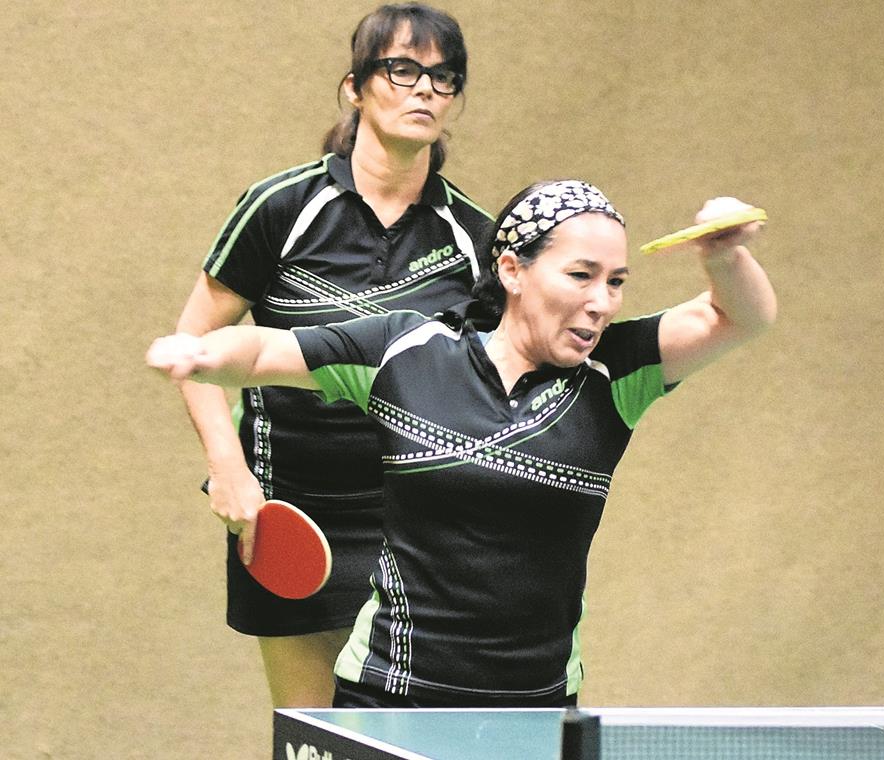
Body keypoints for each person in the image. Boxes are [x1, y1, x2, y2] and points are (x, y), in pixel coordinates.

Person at [149, 179, 777, 708]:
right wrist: (203, 352)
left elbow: (739, 317)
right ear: (512, 270)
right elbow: (264, 348)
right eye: (581, 275)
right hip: (391, 691)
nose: (600, 303)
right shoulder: (407, 351)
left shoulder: (616, 373)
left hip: (536, 700)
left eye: (616, 282)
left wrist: (725, 257)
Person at [171, 3, 493, 708]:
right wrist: (227, 470)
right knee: (312, 741)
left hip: (413, 527)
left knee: (409, 740)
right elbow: (193, 350)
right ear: (355, 88)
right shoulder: (281, 208)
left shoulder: (473, 236)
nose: (425, 91)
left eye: (445, 78)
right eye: (402, 70)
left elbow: (490, 385)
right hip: (291, 515)